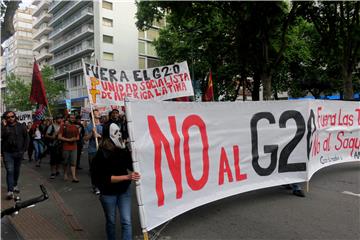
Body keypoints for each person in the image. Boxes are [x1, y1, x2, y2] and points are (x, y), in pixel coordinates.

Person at [92, 121, 140, 240]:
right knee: (111, 222)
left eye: (119, 131)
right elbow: (104, 178)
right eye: (116, 132)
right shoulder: (101, 155)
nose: (119, 134)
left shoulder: (121, 150)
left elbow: (131, 165)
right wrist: (127, 177)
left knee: (126, 221)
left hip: (124, 191)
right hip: (108, 193)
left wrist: (133, 151)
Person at [1, 111, 29, 199]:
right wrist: (5, 127)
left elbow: (27, 138)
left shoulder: (21, 126)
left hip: (18, 152)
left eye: (12, 116)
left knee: (16, 170)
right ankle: (10, 191)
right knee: (10, 171)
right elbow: (2, 136)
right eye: (8, 117)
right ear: (5, 119)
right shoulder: (4, 128)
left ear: (15, 117)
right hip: (7, 153)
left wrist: (24, 150)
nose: (10, 118)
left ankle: (15, 184)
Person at [84, 109, 103, 195]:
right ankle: (95, 186)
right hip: (92, 151)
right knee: (94, 170)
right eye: (96, 113)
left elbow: (107, 138)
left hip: (102, 150)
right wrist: (92, 133)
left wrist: (99, 136)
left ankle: (102, 185)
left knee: (103, 169)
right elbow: (85, 139)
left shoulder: (103, 126)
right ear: (92, 116)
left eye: (98, 113)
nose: (99, 114)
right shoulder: (89, 126)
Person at [58, 113, 80, 182]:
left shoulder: (76, 127)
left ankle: (74, 177)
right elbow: (59, 137)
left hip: (74, 147)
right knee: (65, 162)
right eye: (71, 118)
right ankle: (65, 174)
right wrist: (68, 140)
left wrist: (74, 139)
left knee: (73, 162)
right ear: (68, 118)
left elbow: (78, 137)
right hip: (65, 147)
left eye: (73, 118)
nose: (72, 119)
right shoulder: (63, 126)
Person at [45, 114, 64, 179]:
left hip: (60, 145)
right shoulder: (51, 126)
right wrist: (52, 137)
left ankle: (57, 171)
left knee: (59, 159)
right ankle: (52, 172)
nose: (60, 119)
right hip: (53, 145)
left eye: (61, 118)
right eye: (59, 118)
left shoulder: (62, 126)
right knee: (53, 159)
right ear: (56, 119)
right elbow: (46, 135)